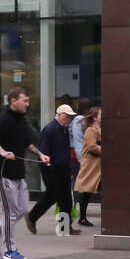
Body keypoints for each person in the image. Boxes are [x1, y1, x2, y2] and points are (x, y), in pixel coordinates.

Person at [0, 87, 49, 259]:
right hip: (2, 175)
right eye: (24, 100)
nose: (27, 104)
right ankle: (9, 249)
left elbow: (27, 143)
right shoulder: (3, 120)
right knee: (11, 212)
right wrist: (3, 152)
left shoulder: (21, 120)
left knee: (20, 211)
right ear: (13, 101)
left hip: (18, 174)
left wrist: (40, 154)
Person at [26, 104, 81, 235]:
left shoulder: (63, 129)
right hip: (53, 169)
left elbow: (64, 151)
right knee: (53, 196)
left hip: (62, 168)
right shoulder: (50, 129)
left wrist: (68, 169)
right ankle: (32, 217)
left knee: (65, 199)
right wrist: (49, 169)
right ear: (60, 114)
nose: (70, 119)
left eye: (71, 117)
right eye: (68, 116)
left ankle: (64, 227)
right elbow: (43, 152)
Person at [74, 106, 102, 227]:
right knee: (87, 190)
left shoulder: (98, 129)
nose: (102, 116)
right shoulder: (91, 130)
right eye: (100, 114)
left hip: (97, 165)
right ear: (95, 117)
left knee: (89, 190)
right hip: (91, 164)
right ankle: (82, 217)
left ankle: (83, 217)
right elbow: (92, 147)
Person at [69, 97, 93, 192]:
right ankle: (73, 202)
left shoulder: (79, 120)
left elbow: (77, 140)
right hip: (79, 154)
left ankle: (74, 202)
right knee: (77, 178)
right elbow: (78, 140)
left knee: (76, 178)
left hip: (77, 154)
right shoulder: (81, 121)